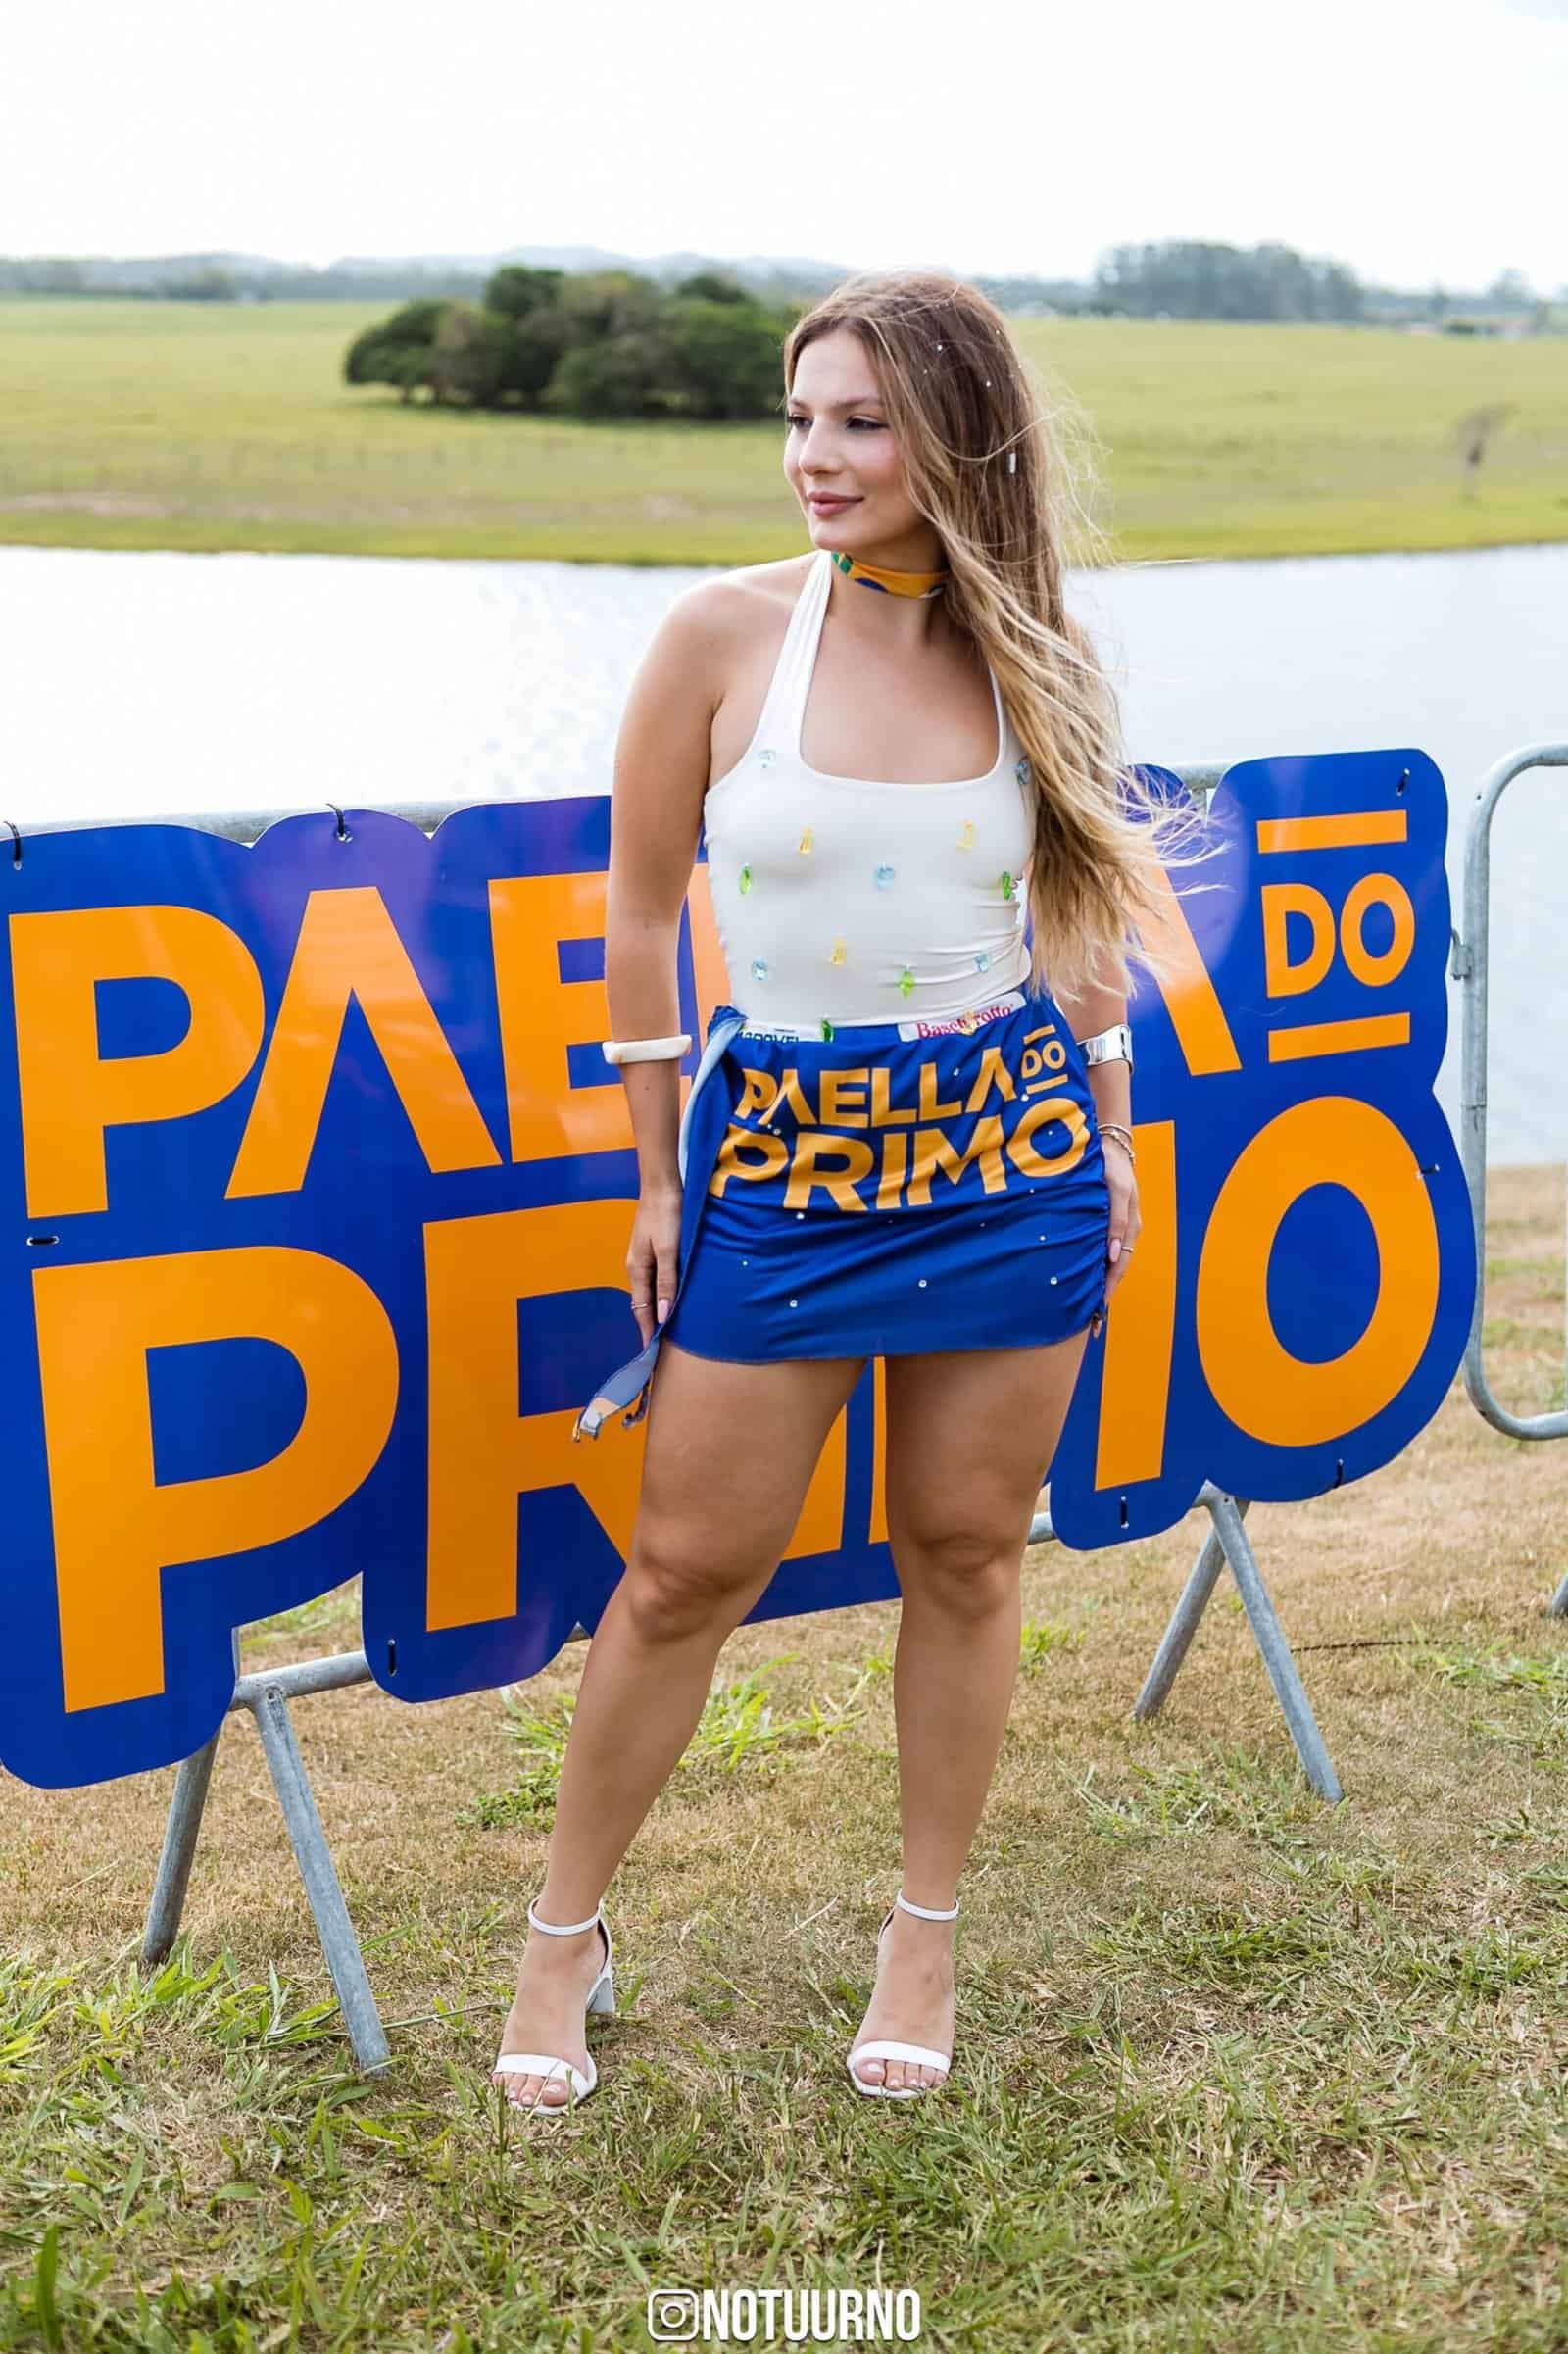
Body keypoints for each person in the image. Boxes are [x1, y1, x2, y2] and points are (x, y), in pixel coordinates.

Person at [490, 269, 1180, 2118]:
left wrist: (1114, 1132)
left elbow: (1076, 917)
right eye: (801, 417)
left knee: (965, 1549)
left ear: (958, 435)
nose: (816, 455)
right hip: (785, 1162)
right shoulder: (719, 638)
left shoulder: (1038, 650)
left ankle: (923, 1931)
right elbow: (642, 912)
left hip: (1008, 1158)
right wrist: (657, 1176)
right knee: (682, 1569)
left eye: (861, 421)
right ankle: (562, 1935)